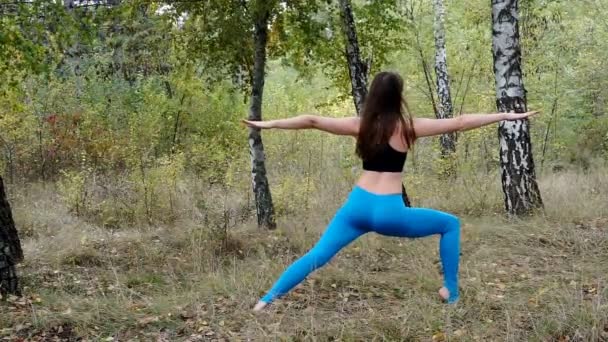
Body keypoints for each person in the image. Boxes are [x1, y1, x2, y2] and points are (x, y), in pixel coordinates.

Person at [243, 71, 539, 311]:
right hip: (388, 211)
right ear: (398, 97)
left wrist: (267, 124)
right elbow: (460, 123)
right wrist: (505, 116)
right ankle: (451, 291)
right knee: (450, 224)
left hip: (356, 207)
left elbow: (312, 121)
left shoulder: (360, 125)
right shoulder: (408, 127)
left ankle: (266, 300)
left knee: (317, 254)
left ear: (373, 96)